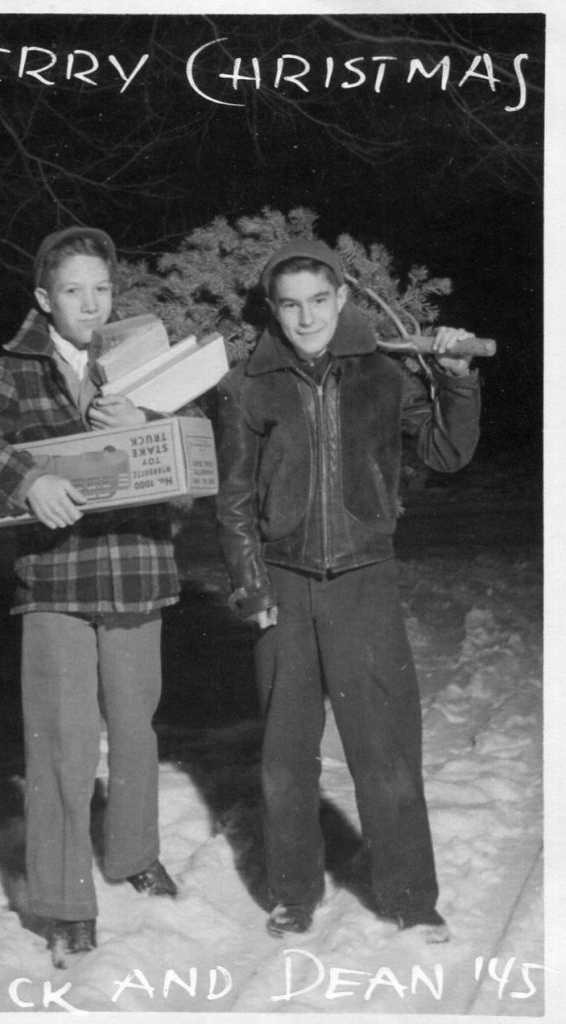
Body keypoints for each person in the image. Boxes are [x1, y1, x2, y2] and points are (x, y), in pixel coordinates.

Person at [0, 226, 180, 968]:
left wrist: (149, 426)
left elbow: (192, 452)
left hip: (136, 567)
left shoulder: (139, 362)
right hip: (57, 581)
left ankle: (133, 853)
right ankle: (63, 900)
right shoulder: (18, 369)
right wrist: (24, 480)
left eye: (101, 288)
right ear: (45, 298)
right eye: (73, 289)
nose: (90, 303)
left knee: (135, 732)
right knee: (62, 747)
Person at [215, 238, 481, 944]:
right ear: (272, 310)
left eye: (318, 301)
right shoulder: (250, 385)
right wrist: (251, 585)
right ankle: (292, 894)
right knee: (284, 758)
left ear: (342, 299)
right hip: (285, 586)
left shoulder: (384, 375)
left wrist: (455, 378)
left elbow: (446, 451)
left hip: (365, 582)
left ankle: (410, 897)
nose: (306, 318)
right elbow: (234, 500)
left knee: (385, 751)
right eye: (289, 304)